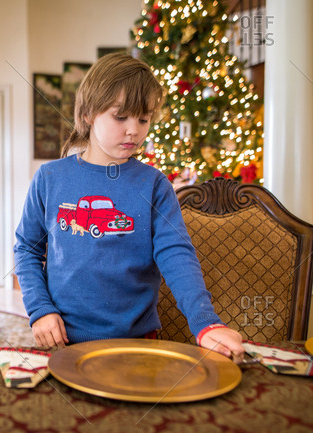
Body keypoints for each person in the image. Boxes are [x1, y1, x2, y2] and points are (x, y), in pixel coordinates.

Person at [14, 53, 244, 360]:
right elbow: (27, 249)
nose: (133, 130)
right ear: (88, 115)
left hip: (138, 342)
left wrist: (205, 323)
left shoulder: (155, 184)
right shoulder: (50, 177)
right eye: (120, 117)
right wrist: (40, 310)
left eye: (144, 119)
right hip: (63, 341)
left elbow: (176, 253)